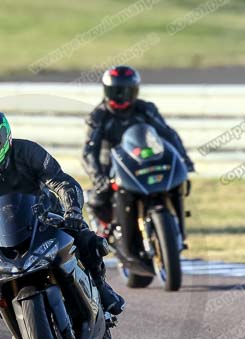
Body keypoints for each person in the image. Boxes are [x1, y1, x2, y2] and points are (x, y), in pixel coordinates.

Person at [0, 110, 125, 315]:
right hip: (3, 231)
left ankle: (100, 287)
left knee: (87, 240)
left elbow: (62, 181)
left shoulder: (28, 151)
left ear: (3, 138)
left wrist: (72, 211)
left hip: (45, 217)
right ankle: (17, 317)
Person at [82, 65, 194, 237]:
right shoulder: (98, 117)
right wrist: (98, 178)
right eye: (115, 91)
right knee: (98, 199)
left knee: (176, 184)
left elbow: (168, 134)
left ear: (134, 91)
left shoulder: (146, 109)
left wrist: (184, 159)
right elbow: (89, 152)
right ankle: (103, 229)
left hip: (142, 161)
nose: (120, 97)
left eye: (125, 91)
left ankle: (177, 227)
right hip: (112, 168)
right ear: (106, 91)